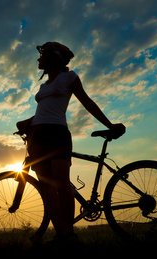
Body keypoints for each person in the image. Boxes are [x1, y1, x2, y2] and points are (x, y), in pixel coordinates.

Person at [23, 42, 125, 244]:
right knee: (47, 188)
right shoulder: (43, 86)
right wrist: (26, 123)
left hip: (57, 134)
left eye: (42, 54)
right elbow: (43, 113)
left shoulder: (69, 77)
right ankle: (62, 235)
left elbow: (86, 101)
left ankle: (69, 234)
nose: (38, 58)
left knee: (61, 184)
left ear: (53, 57)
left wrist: (109, 124)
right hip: (38, 136)